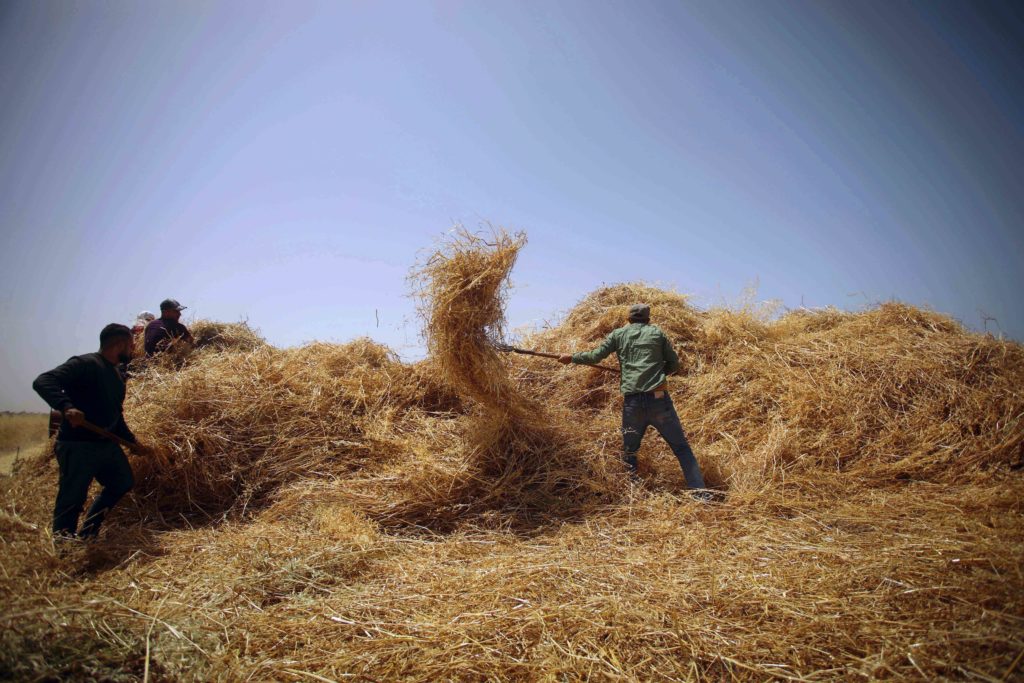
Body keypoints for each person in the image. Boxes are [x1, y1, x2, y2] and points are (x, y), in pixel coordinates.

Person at [559, 303, 708, 494]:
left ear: (628, 319)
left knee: (630, 452)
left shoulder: (619, 334)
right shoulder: (657, 334)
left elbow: (595, 356)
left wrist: (571, 357)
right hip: (659, 401)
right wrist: (658, 372)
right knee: (681, 449)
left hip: (633, 405)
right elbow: (674, 364)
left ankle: (632, 493)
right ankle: (701, 494)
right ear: (648, 319)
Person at [32, 324, 151, 541]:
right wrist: (67, 407)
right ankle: (63, 546)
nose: (133, 349)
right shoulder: (85, 363)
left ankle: (88, 532)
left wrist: (132, 441)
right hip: (78, 445)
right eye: (131, 345)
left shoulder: (116, 374)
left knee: (122, 481)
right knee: (72, 497)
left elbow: (116, 415)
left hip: (105, 443)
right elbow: (43, 381)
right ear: (120, 343)